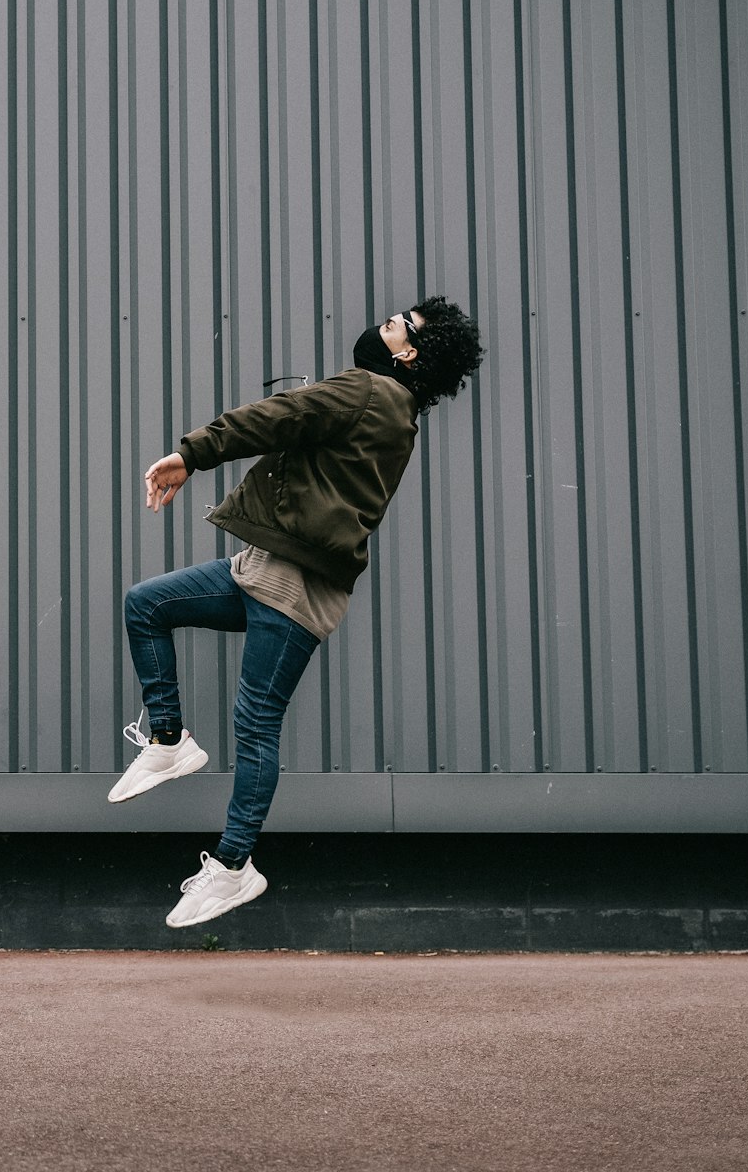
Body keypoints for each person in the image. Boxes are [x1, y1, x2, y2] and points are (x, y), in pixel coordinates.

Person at [110, 297, 485, 929]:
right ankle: (170, 741)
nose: (389, 319)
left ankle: (232, 869)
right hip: (266, 568)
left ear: (410, 352)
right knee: (147, 603)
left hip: (293, 586)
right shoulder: (396, 411)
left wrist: (190, 455)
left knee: (256, 725)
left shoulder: (372, 392)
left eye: (402, 322)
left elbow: (279, 416)